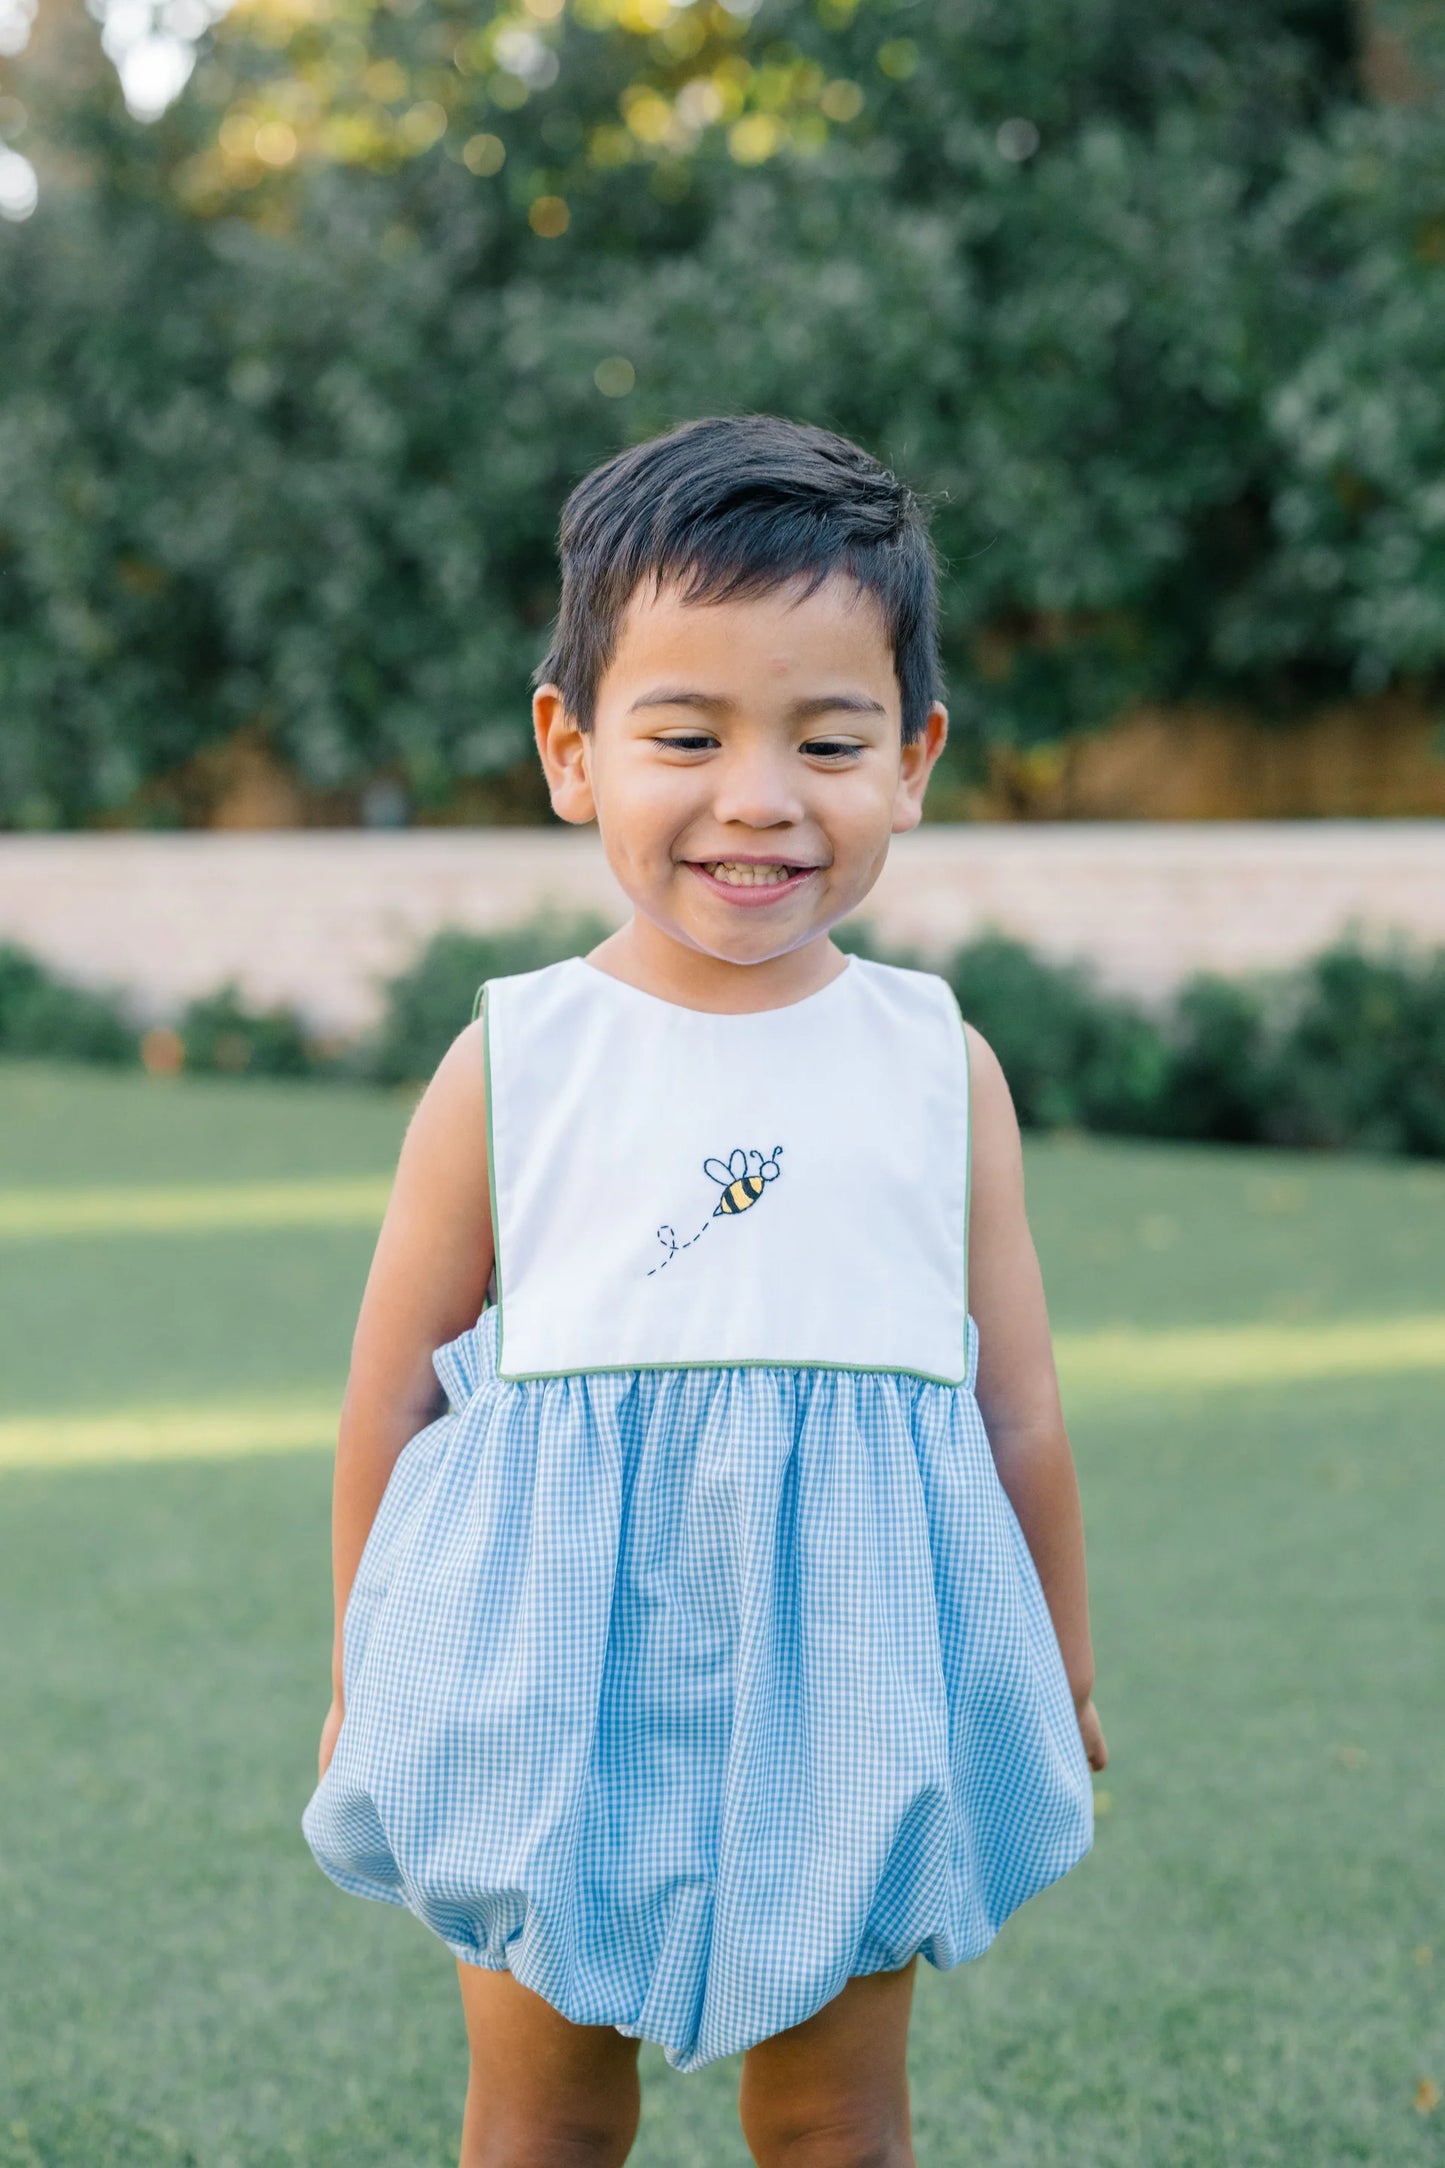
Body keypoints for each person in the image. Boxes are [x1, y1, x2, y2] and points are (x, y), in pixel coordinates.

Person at [302, 413, 1107, 2168]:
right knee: (541, 2126)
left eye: (828, 738)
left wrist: (1061, 1659)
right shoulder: (515, 1059)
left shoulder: (932, 1062)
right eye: (686, 734)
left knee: (835, 2123)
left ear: (913, 757)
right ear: (572, 750)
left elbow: (1015, 1404)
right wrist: (370, 1666)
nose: (758, 796)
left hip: (856, 1683)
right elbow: (394, 1394)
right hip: (534, 1681)